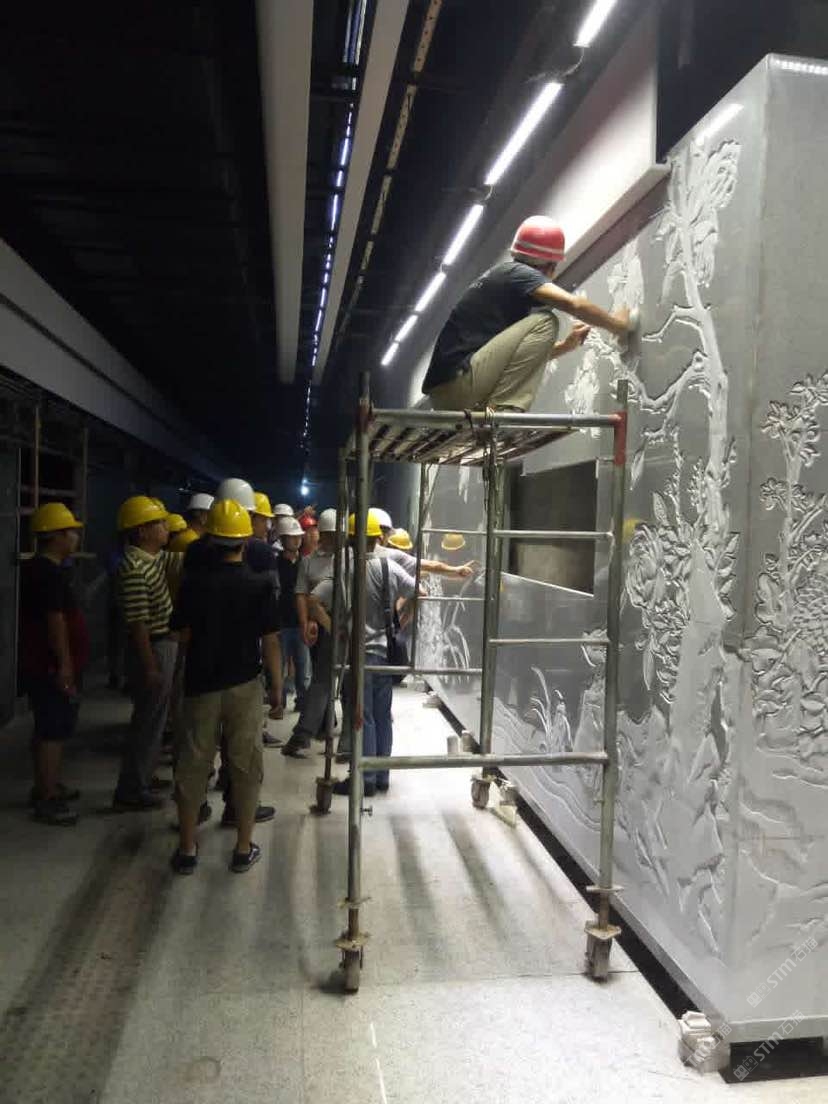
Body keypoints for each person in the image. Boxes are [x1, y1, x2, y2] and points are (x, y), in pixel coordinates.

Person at [170, 499, 283, 874]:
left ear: (211, 539)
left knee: (192, 766)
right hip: (244, 686)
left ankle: (187, 849)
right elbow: (270, 641)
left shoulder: (193, 585)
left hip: (200, 684)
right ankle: (243, 847)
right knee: (245, 765)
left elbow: (182, 634)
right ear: (245, 541)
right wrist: (277, 686)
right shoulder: (259, 585)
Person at [421, 215, 633, 412]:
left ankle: (497, 411)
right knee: (546, 321)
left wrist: (566, 346)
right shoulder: (519, 274)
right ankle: (504, 410)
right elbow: (575, 304)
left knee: (540, 323)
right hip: (459, 384)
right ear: (550, 266)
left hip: (446, 395)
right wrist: (619, 326)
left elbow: (516, 362)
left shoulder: (504, 284)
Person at [314, 511, 416, 796]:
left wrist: (336, 629)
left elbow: (314, 600)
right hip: (383, 654)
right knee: (383, 716)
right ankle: (382, 775)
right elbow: (418, 591)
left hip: (358, 655)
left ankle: (366, 780)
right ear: (376, 539)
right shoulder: (389, 566)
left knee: (364, 717)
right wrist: (401, 620)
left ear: (351, 539)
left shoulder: (345, 567)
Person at [19, 503, 88, 826]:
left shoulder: (40, 569)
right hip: (49, 666)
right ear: (57, 536)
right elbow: (55, 621)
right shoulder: (48, 574)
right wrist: (65, 665)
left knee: (47, 726)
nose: (75, 536)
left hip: (41, 664)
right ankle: (47, 798)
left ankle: (45, 784)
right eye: (71, 531)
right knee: (53, 730)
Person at [113, 495, 178, 811]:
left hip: (161, 644)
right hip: (152, 647)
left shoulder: (152, 558)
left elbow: (177, 559)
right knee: (147, 722)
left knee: (155, 719)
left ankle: (144, 776)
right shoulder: (134, 567)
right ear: (141, 531)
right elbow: (138, 624)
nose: (166, 528)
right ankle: (131, 790)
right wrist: (150, 666)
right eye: (160, 523)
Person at [282, 507, 339, 757]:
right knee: (322, 677)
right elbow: (301, 594)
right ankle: (319, 728)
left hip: (343, 623)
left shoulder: (349, 558)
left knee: (332, 681)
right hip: (322, 625)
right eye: (328, 534)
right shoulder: (309, 561)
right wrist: (306, 622)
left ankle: (309, 733)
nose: (331, 538)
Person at [273, 516, 310, 719]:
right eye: (292, 537)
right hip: (281, 623)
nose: (296, 540)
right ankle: (278, 704)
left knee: (303, 667)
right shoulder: (275, 564)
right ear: (282, 539)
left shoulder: (305, 563)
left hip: (300, 623)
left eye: (298, 537)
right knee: (278, 668)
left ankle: (303, 702)